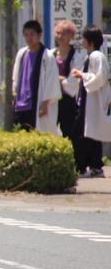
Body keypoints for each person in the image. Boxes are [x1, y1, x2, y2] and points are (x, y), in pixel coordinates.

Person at [69, 25, 111, 178]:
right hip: (89, 102)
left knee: (81, 135)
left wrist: (82, 75)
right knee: (91, 135)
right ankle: (95, 166)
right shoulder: (93, 56)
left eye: (84, 39)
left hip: (92, 103)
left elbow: (100, 77)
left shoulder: (96, 57)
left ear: (90, 41)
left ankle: (82, 167)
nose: (82, 41)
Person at [11, 20, 61, 133]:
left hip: (36, 104)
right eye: (26, 34)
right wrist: (14, 95)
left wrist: (45, 103)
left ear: (39, 35)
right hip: (20, 104)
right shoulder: (22, 53)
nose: (29, 38)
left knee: (37, 134)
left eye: (32, 34)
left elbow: (51, 80)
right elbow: (16, 75)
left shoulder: (47, 56)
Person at [54, 20, 87, 167]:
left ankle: (75, 164)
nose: (60, 36)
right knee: (51, 131)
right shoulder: (51, 54)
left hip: (69, 99)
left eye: (65, 33)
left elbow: (73, 81)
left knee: (70, 131)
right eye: (58, 32)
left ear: (71, 36)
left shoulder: (78, 56)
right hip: (53, 98)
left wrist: (59, 79)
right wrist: (61, 79)